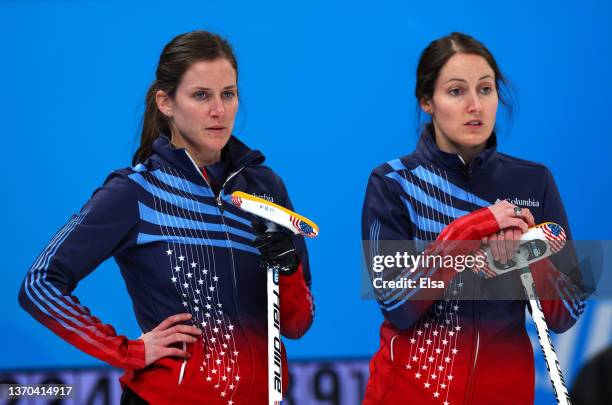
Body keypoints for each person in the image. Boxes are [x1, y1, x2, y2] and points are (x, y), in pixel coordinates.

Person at [18, 30, 314, 404]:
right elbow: (39, 285)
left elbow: (298, 325)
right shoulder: (136, 192)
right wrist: (129, 352)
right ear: (166, 102)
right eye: (201, 95)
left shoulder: (266, 189)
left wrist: (287, 273)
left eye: (228, 93)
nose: (218, 110)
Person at [361, 32, 584, 404]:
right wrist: (477, 227)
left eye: (485, 89)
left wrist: (530, 249)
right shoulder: (392, 183)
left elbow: (567, 314)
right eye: (455, 91)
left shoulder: (533, 181)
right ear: (427, 102)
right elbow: (397, 303)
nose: (474, 105)